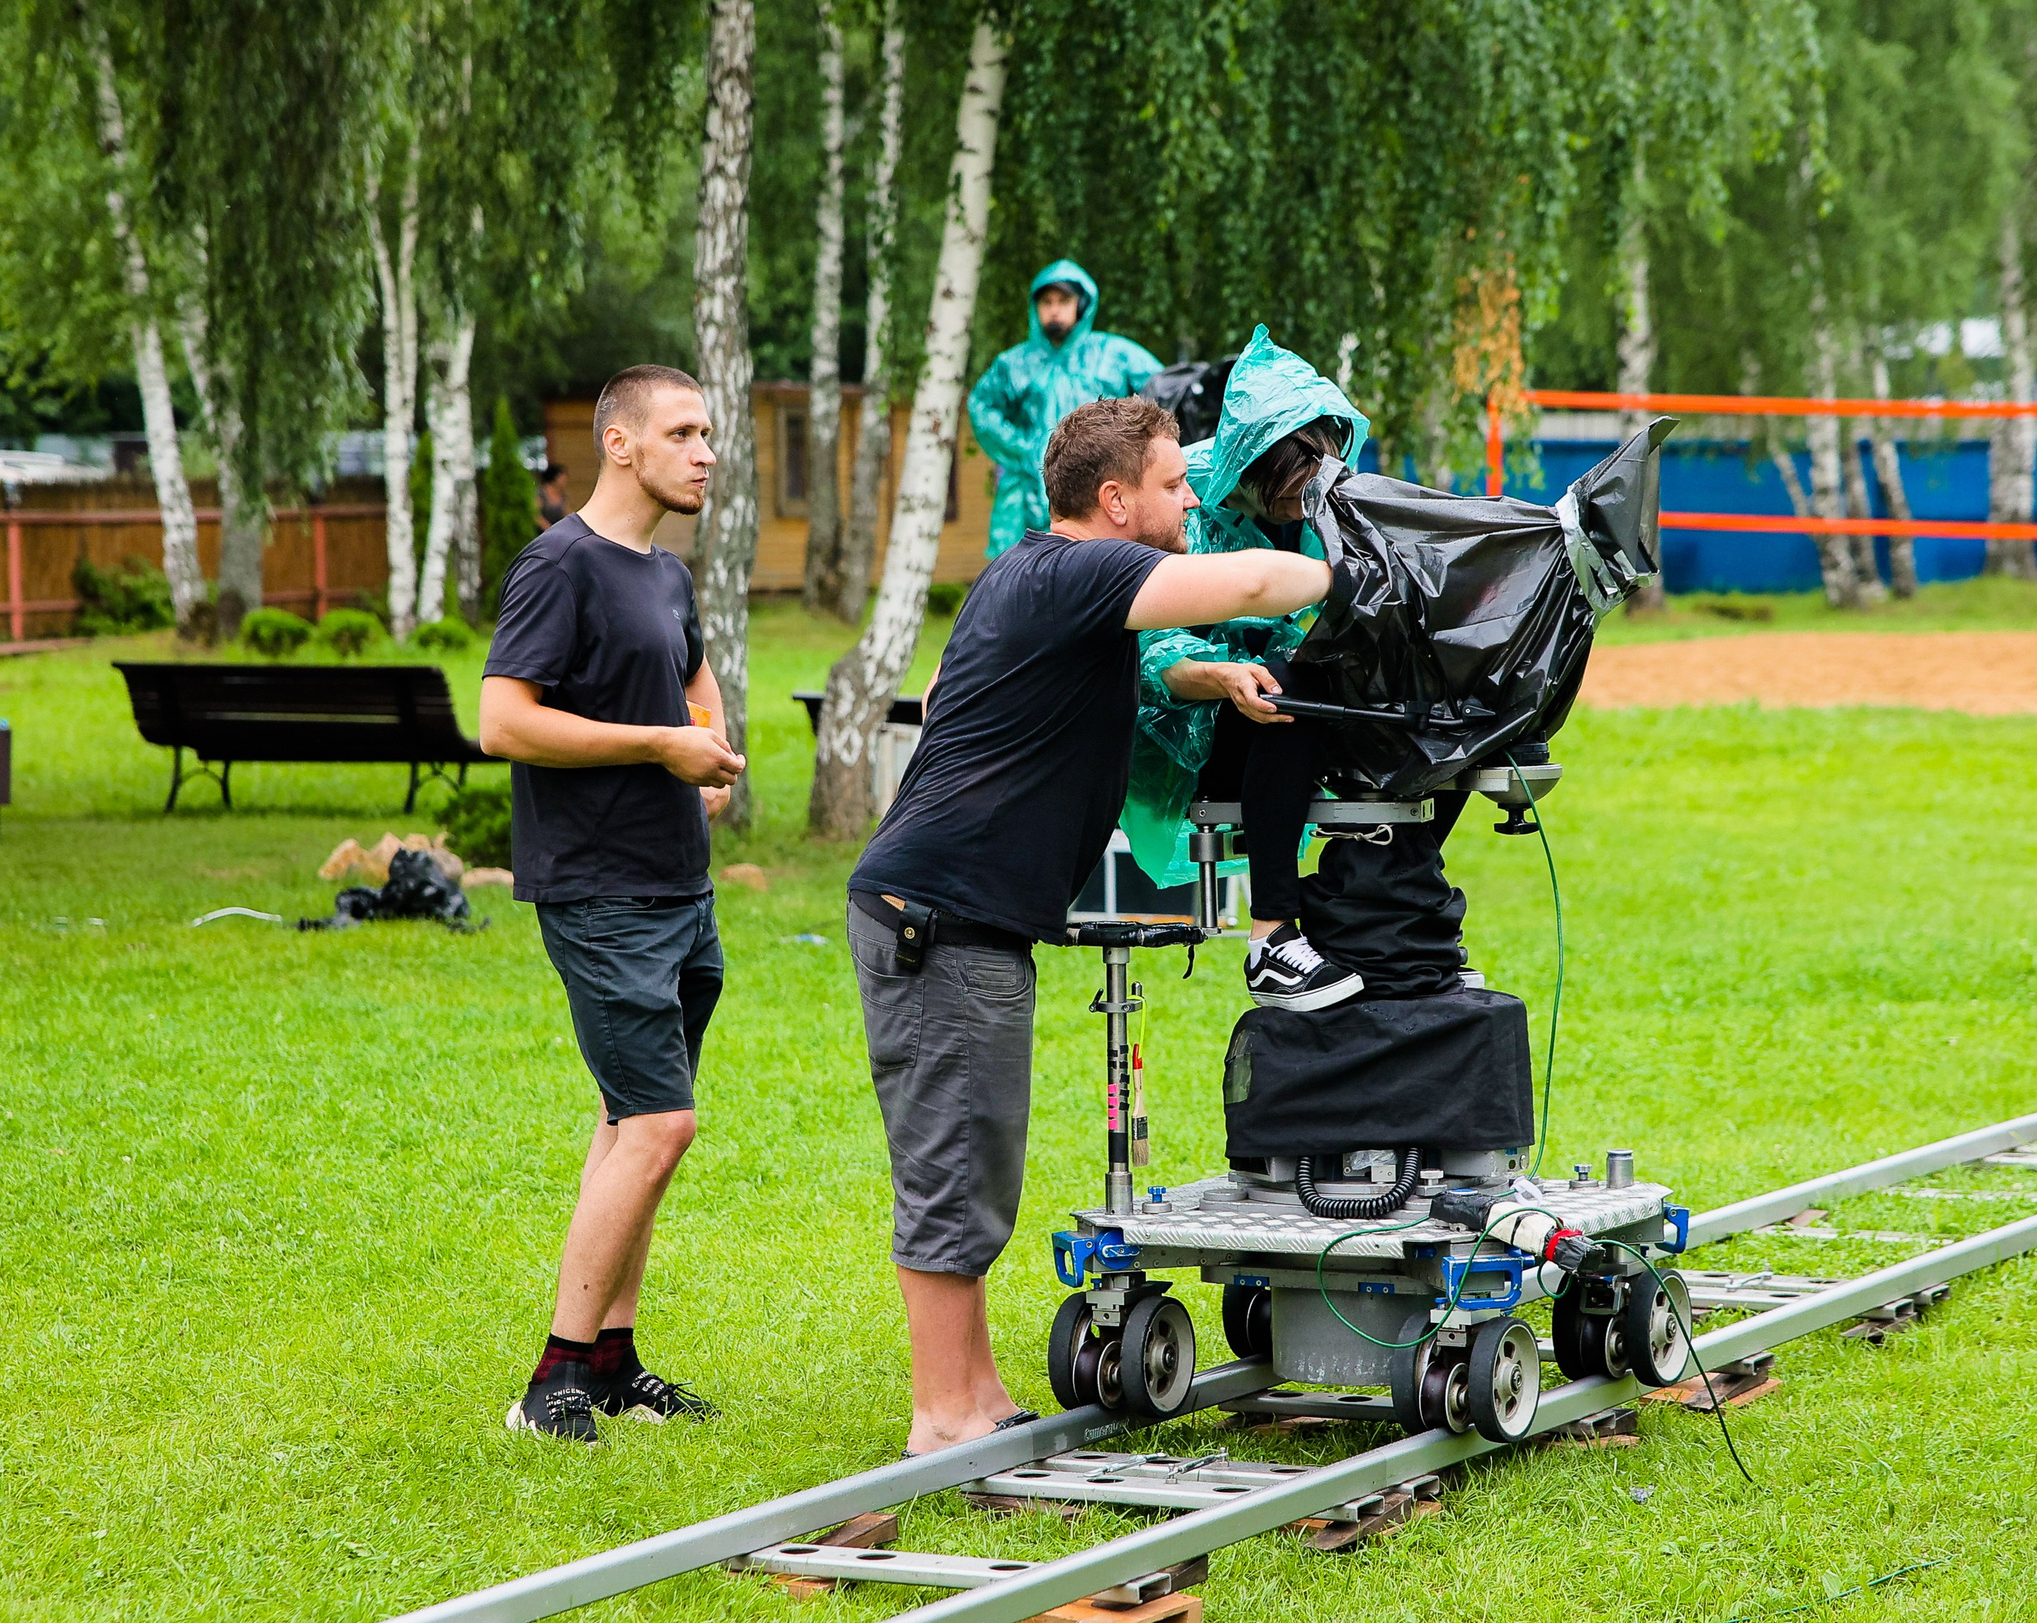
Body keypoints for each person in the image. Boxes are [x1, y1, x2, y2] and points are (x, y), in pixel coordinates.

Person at [844, 396, 1331, 1455]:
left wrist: (1213, 676)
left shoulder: (1034, 574)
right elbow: (1254, 583)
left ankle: (977, 1396)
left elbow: (973, 690)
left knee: (975, 1159)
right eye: (1171, 484)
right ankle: (942, 1419)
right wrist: (1351, 563)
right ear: (1113, 501)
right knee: (952, 1167)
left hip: (954, 915)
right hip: (940, 918)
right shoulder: (1085, 571)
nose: (1191, 499)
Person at [479, 364, 744, 1443]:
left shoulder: (665, 574)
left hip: (679, 884)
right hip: (600, 891)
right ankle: (552, 1382)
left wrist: (708, 751)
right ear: (620, 444)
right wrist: (658, 746)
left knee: (632, 1121)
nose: (706, 452)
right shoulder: (559, 566)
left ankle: (613, 1359)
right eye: (682, 433)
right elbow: (503, 720)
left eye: (708, 433)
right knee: (660, 1123)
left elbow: (694, 679)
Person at [1120, 326, 1371, 1009]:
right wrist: (1227, 677)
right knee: (1291, 687)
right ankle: (1271, 939)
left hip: (1275, 704)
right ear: (1249, 469)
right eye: (1287, 496)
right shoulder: (1174, 499)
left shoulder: (1325, 504)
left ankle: (1393, 922)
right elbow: (1148, 657)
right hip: (1174, 732)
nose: (1301, 508)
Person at [965, 259, 1162, 560]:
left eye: (1064, 300)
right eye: (1047, 302)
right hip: (1026, 492)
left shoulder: (1112, 355)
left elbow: (1162, 390)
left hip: (1101, 480)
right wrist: (1022, 449)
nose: (1054, 309)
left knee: (1099, 567)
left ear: (1081, 305)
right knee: (1020, 572)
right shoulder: (1015, 363)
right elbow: (981, 405)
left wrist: (1132, 450)